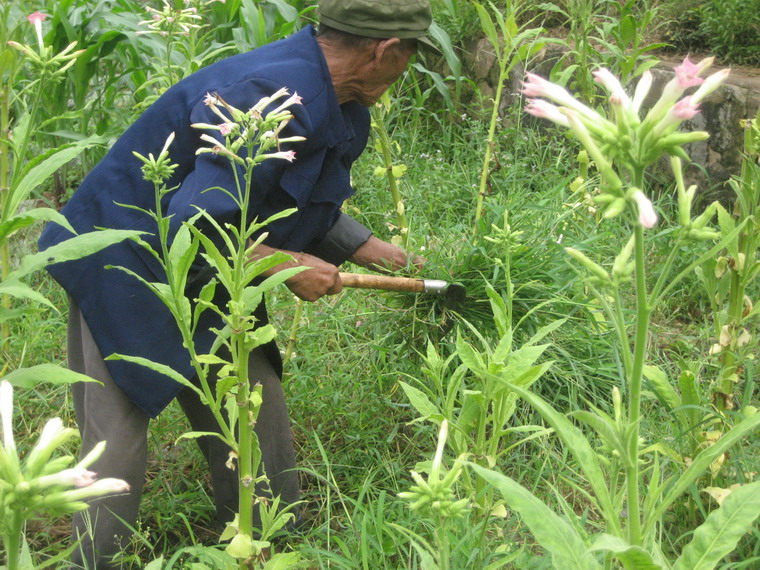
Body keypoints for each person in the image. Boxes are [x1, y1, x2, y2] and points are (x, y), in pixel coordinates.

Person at [38, 0, 436, 566]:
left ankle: (267, 543)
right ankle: (93, 560)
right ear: (386, 50)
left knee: (252, 406)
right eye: (410, 56)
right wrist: (289, 266)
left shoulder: (341, 98)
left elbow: (290, 191)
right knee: (114, 444)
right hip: (125, 256)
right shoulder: (267, 94)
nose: (405, 70)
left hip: (220, 266)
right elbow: (192, 222)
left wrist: (371, 249)